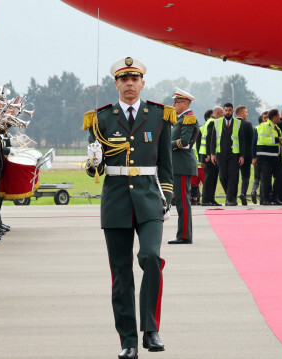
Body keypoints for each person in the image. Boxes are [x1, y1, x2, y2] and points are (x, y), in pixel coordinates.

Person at [83, 57, 174, 359]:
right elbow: (92, 168)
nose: (130, 84)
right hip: (117, 201)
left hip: (149, 199)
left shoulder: (159, 116)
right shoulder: (101, 119)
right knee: (121, 274)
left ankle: (151, 329)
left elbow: (166, 165)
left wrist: (168, 197)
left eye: (135, 79)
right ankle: (128, 341)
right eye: (124, 80)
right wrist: (93, 163)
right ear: (117, 84)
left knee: (150, 256)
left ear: (142, 83)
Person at [168, 87, 200, 245]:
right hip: (178, 164)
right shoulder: (180, 118)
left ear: (185, 103)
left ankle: (185, 236)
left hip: (182, 164)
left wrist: (166, 145)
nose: (173, 104)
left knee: (183, 201)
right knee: (181, 201)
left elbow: (184, 141)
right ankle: (183, 234)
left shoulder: (189, 118)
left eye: (176, 101)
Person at [210, 103, 244, 206]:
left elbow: (242, 140)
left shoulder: (238, 123)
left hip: (234, 155)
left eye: (230, 110)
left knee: (233, 177)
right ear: (223, 111)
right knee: (223, 177)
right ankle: (231, 197)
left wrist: (242, 155)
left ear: (232, 111)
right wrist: (212, 154)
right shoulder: (217, 122)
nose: (228, 112)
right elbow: (213, 140)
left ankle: (229, 199)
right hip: (221, 154)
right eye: (226, 110)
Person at [253, 109, 282, 205]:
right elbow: (263, 140)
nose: (279, 118)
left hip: (276, 158)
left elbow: (280, 143)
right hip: (265, 159)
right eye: (278, 116)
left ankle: (273, 197)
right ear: (274, 117)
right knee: (266, 180)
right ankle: (266, 199)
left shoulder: (277, 128)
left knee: (281, 177)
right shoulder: (265, 126)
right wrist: (277, 139)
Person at [200, 107, 222, 206]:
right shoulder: (213, 122)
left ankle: (210, 199)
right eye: (222, 113)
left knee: (211, 178)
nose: (223, 115)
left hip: (207, 155)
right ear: (216, 113)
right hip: (210, 156)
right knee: (210, 178)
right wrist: (209, 154)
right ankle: (206, 199)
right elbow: (209, 139)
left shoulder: (209, 122)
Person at [235, 105, 254, 206]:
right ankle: (243, 193)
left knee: (234, 176)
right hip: (246, 155)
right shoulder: (247, 124)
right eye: (246, 112)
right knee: (245, 176)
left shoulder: (232, 124)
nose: (247, 114)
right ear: (241, 113)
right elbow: (252, 140)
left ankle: (232, 196)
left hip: (234, 154)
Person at [250, 111, 268, 204]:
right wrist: (254, 157)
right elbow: (253, 144)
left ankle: (254, 191)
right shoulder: (258, 128)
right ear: (262, 119)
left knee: (258, 177)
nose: (266, 120)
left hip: (260, 157)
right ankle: (261, 197)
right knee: (261, 177)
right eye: (265, 118)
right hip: (261, 157)